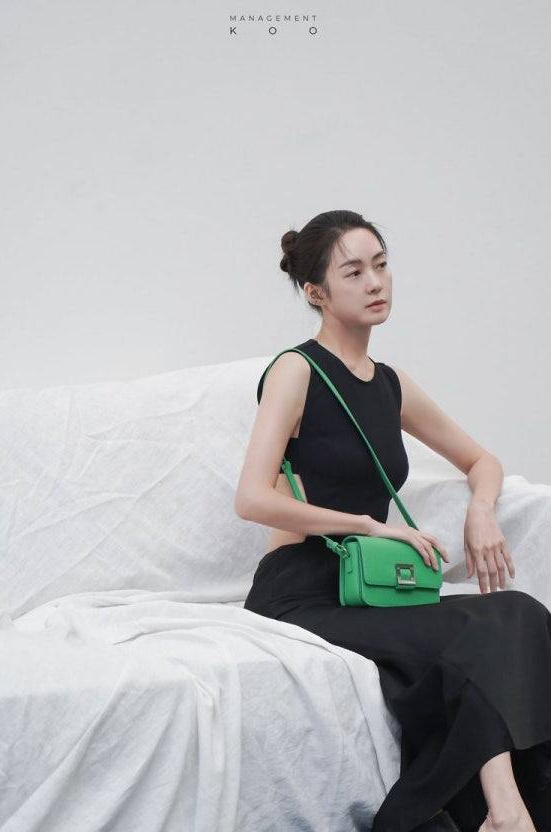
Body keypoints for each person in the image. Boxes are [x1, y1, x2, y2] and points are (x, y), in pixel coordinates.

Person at [235, 210, 551, 832]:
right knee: (481, 631)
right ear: (316, 292)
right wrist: (368, 525)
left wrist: (480, 510)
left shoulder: (390, 385)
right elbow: (251, 498)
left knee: (519, 613)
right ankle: (505, 811)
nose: (376, 282)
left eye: (381, 265)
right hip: (301, 591)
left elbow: (482, 460)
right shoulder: (297, 370)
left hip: (374, 591)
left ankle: (506, 812)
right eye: (354, 272)